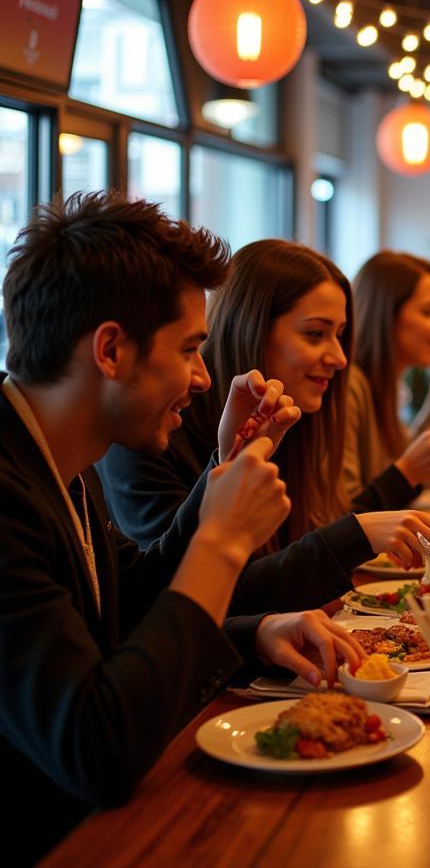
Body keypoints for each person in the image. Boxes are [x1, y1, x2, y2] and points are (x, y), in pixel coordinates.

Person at [0, 195, 367, 865]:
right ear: (110, 349)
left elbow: (133, 604)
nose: (203, 379)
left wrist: (254, 628)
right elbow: (96, 748)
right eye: (190, 350)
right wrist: (221, 545)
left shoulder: (63, 465)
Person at [100, 241, 430, 569]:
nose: (339, 358)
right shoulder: (147, 432)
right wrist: (362, 526)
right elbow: (180, 590)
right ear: (250, 329)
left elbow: (296, 549)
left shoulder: (296, 417)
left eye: (339, 335)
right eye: (315, 334)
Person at [346, 251, 430, 497]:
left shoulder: (387, 383)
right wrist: (409, 472)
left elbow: (412, 463)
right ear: (387, 315)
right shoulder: (349, 387)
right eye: (428, 312)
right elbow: (347, 513)